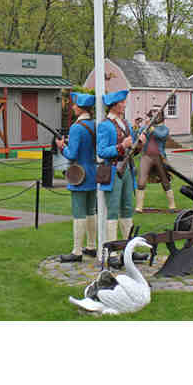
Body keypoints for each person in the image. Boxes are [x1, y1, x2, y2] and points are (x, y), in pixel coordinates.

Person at [55, 93, 97, 262]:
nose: (73, 107)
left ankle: (77, 251)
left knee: (79, 213)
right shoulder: (95, 124)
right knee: (91, 211)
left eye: (75, 105)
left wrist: (61, 147)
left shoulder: (76, 128)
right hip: (93, 172)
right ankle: (92, 246)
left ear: (80, 108)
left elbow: (72, 154)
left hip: (79, 173)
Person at [97, 90, 135, 266]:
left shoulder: (125, 123)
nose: (124, 105)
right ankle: (111, 252)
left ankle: (128, 250)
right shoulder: (105, 125)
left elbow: (132, 149)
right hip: (113, 170)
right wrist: (121, 146)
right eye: (122, 102)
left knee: (127, 207)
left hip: (126, 169)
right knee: (113, 210)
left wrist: (138, 143)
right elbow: (102, 151)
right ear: (114, 105)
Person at [135, 105, 175, 212]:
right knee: (141, 180)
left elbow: (161, 135)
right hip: (146, 156)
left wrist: (151, 128)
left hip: (159, 157)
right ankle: (139, 206)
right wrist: (139, 129)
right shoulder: (147, 127)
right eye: (153, 111)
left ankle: (172, 205)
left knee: (165, 180)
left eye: (157, 111)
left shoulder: (164, 129)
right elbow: (138, 136)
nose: (155, 113)